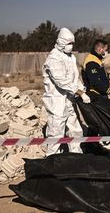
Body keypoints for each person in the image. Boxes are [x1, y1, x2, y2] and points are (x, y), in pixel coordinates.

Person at [42, 27, 91, 156]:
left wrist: (82, 89)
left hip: (69, 98)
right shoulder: (54, 58)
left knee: (75, 128)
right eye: (69, 43)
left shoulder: (71, 57)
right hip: (56, 99)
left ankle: (76, 154)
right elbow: (61, 81)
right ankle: (52, 157)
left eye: (72, 43)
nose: (71, 46)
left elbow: (75, 77)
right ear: (62, 43)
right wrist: (79, 92)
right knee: (56, 129)